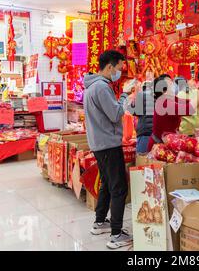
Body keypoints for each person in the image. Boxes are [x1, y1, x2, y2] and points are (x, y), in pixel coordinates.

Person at [83, 50, 133, 249]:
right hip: (108, 145)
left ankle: (100, 222)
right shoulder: (102, 88)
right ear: (110, 66)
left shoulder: (92, 86)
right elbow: (116, 114)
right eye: (119, 68)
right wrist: (125, 95)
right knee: (119, 187)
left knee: (106, 183)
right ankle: (116, 234)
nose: (120, 72)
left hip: (98, 143)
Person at [147, 74, 195, 151]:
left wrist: (197, 91)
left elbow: (188, 103)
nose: (173, 86)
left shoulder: (171, 98)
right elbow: (189, 109)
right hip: (158, 147)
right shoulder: (164, 102)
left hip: (168, 144)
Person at [130, 81, 154, 154]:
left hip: (144, 131)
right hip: (155, 133)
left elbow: (133, 111)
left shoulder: (141, 95)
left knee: (142, 159)